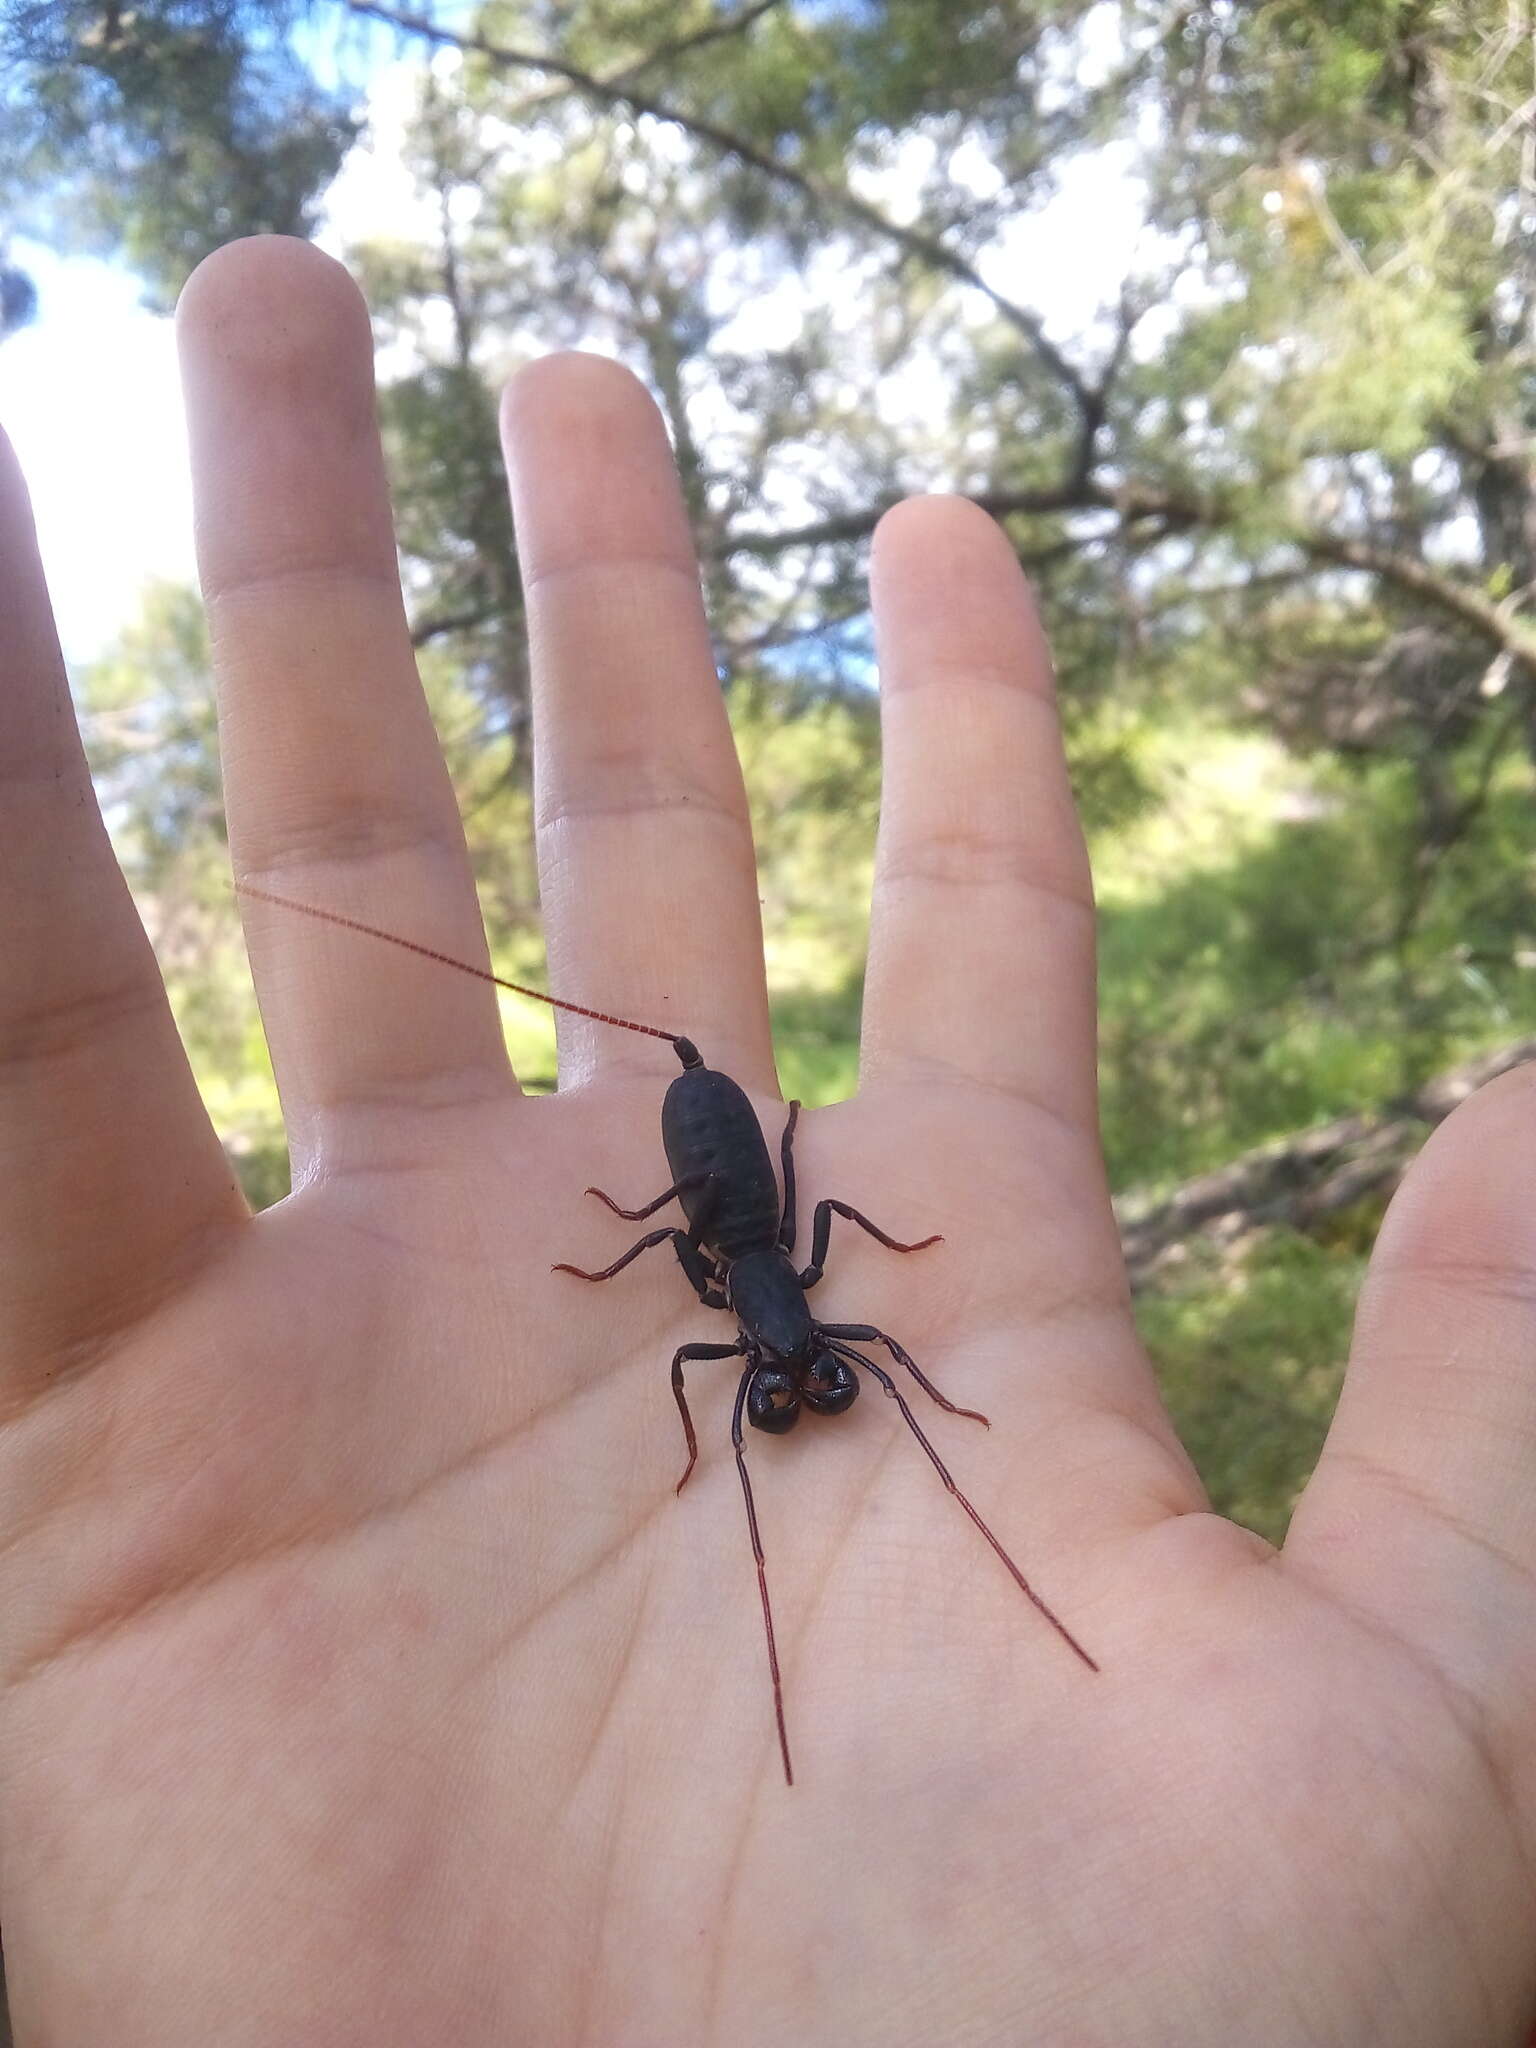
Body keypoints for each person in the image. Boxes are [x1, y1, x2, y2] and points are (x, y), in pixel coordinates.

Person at [0, 234, 1532, 2046]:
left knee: (743, 1250)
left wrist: (905, 1385)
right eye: (798, 1379)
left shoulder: (779, 1316)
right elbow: (719, 1289)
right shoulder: (749, 1296)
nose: (796, 1382)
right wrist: (645, 1257)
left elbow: (782, 1302)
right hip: (713, 1159)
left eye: (785, 1380)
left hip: (725, 1169)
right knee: (708, 1231)